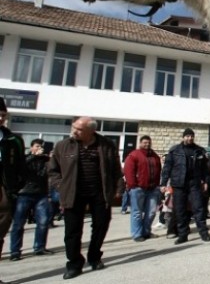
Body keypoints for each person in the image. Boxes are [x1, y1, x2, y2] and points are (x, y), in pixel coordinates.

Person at [48, 116, 122, 280]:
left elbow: (116, 169)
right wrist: (61, 186)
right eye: (74, 127)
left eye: (79, 129)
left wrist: (118, 189)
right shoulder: (63, 146)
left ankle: (94, 257)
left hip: (100, 193)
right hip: (73, 194)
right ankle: (74, 264)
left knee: (101, 226)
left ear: (91, 131)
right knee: (72, 231)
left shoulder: (106, 145)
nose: (74, 131)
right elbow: (53, 171)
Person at [160, 128, 210, 244]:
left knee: (199, 209)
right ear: (183, 137)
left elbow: (205, 169)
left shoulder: (200, 151)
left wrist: (206, 181)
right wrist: (163, 183)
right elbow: (167, 168)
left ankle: (204, 233)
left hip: (194, 184)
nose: (190, 138)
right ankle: (183, 235)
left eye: (191, 136)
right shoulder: (174, 150)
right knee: (180, 210)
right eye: (187, 136)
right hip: (179, 184)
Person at [9, 138, 53, 260]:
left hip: (41, 194)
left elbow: (50, 171)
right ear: (31, 147)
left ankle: (39, 247)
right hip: (24, 193)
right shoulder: (25, 158)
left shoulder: (46, 160)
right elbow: (21, 168)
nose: (40, 149)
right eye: (37, 146)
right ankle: (15, 251)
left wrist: (49, 157)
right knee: (18, 224)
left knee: (43, 222)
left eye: (42, 147)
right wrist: (34, 156)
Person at [0, 97, 27, 280]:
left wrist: (14, 189)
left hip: (4, 191)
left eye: (2, 115)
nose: (0, 118)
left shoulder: (13, 140)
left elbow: (21, 167)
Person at [123, 135, 162, 242]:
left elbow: (159, 170)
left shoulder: (155, 156)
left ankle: (146, 231)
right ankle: (137, 234)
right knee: (137, 213)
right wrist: (133, 185)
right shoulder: (134, 155)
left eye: (148, 142)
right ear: (140, 143)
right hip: (138, 188)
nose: (147, 144)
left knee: (151, 212)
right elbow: (128, 170)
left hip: (152, 189)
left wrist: (158, 185)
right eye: (145, 142)